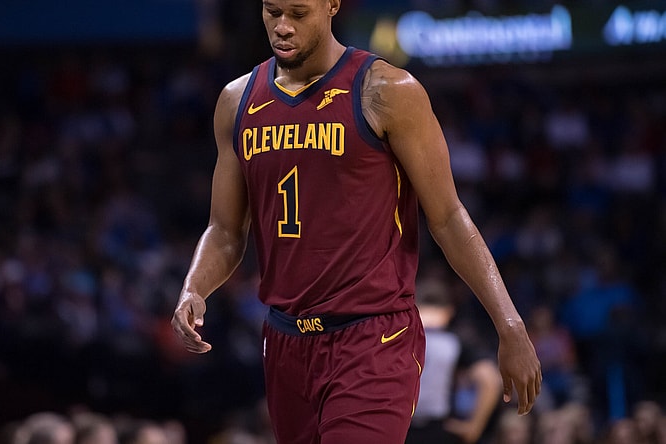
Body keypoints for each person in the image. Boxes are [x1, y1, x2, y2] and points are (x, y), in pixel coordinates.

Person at [171, 0, 542, 441]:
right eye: (272, 12)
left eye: (298, 13)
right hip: (285, 340)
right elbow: (225, 231)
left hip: (373, 337)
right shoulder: (237, 101)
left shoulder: (388, 90)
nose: (282, 26)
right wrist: (194, 289)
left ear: (332, 5)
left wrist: (509, 324)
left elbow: (447, 217)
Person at [405, 279, 502, 444]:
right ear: (449, 311)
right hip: (438, 429)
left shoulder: (399, 337)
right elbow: (490, 381)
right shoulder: (454, 340)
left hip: (399, 424)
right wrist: (474, 427)